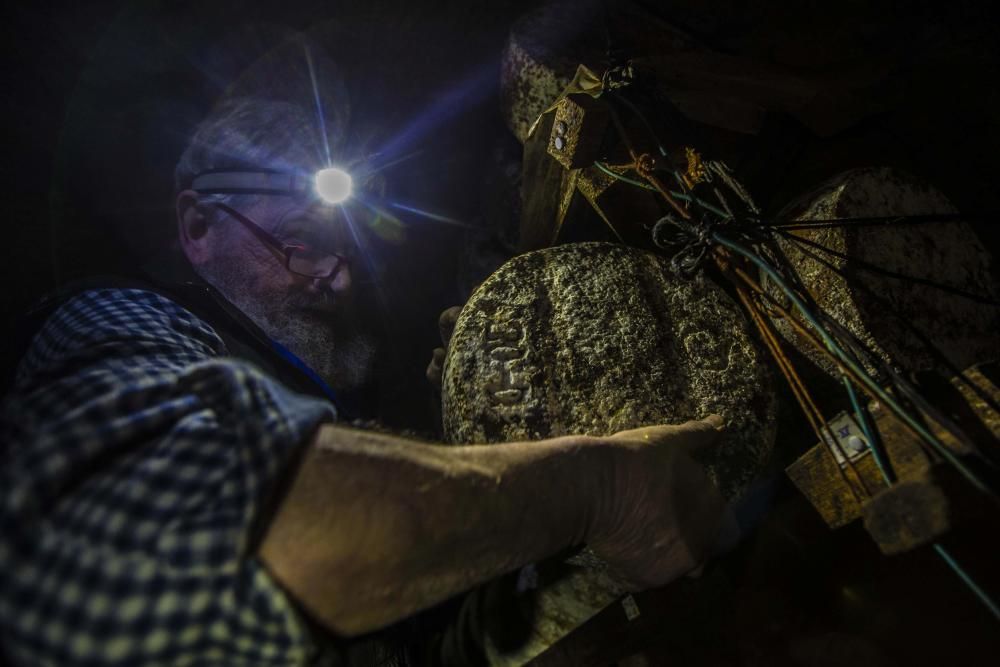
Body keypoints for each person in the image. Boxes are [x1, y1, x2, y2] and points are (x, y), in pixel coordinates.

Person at [0, 96, 730, 665]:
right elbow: (207, 535)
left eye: (348, 251)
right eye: (302, 242)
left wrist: (490, 448)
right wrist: (598, 489)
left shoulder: (317, 415)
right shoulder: (119, 321)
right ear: (197, 224)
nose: (339, 274)